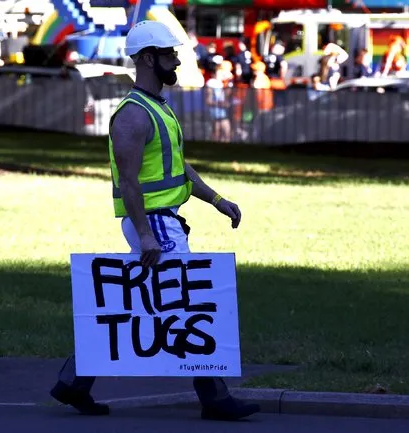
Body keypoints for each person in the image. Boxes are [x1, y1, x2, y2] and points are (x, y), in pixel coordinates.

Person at [49, 20, 261, 422]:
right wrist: (147, 236)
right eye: (168, 54)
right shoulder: (132, 116)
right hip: (155, 224)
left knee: (137, 305)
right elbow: (128, 183)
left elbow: (177, 169)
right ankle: (214, 398)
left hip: (161, 221)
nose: (176, 60)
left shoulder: (158, 108)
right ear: (147, 59)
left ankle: (73, 383)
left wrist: (216, 200)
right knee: (188, 303)